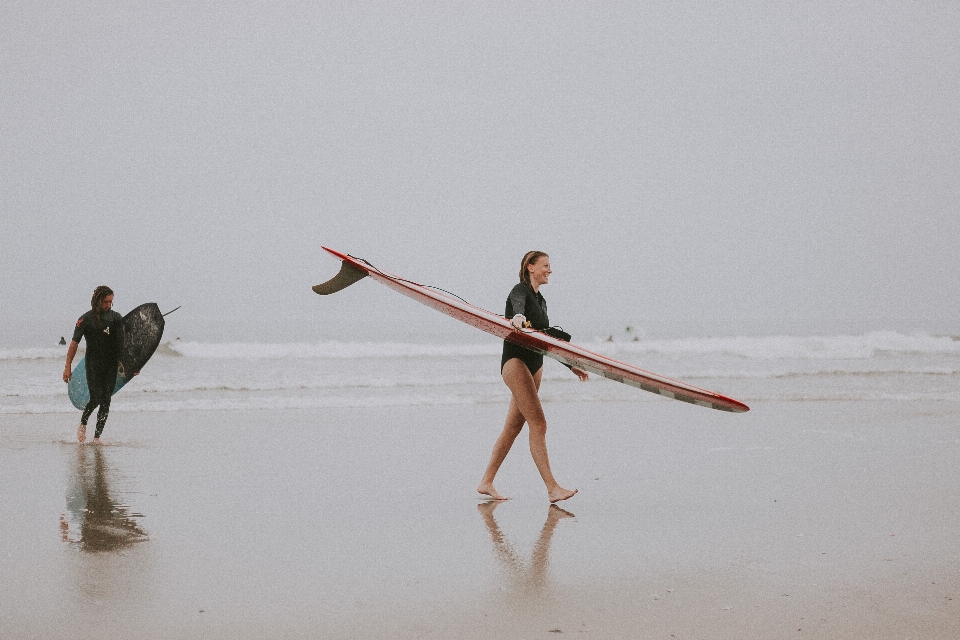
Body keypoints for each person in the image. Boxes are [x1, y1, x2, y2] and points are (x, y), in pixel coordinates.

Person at [477, 251, 589, 503]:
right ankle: (552, 488)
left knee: (513, 427)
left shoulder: (541, 301)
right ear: (530, 267)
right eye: (545, 266)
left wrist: (571, 365)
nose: (550, 270)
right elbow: (517, 305)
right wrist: (516, 317)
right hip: (515, 363)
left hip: (536, 365)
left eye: (550, 266)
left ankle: (486, 481)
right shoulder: (519, 291)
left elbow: (546, 339)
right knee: (538, 424)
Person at [63, 286, 124, 444]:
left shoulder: (116, 318)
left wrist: (133, 366)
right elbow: (74, 344)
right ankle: (83, 422)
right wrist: (67, 366)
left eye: (111, 301)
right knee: (96, 396)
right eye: (105, 302)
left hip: (110, 365)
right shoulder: (85, 320)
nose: (108, 305)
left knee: (106, 400)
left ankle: (97, 437)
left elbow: (123, 344)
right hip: (93, 364)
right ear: (97, 301)